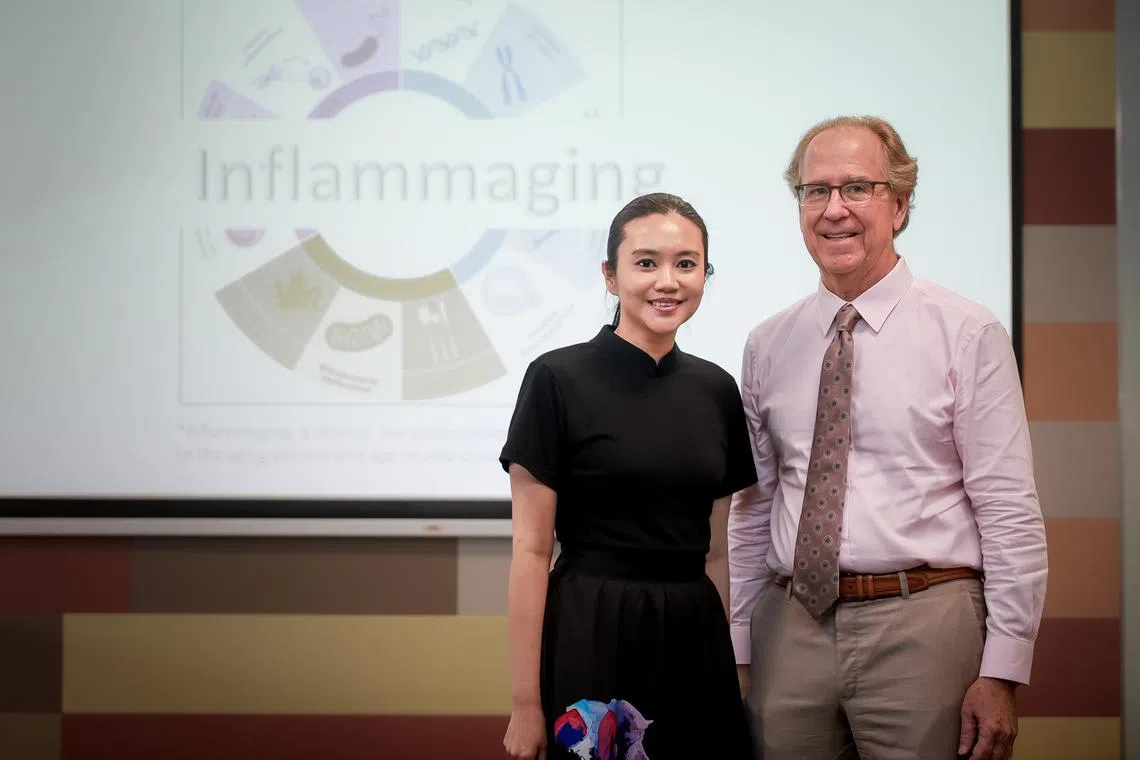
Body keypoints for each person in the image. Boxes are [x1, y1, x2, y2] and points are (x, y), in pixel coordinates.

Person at [727, 115, 1048, 760]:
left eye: (858, 188)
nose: (833, 209)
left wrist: (1003, 669)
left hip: (926, 621)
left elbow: (1008, 508)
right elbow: (754, 508)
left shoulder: (967, 332)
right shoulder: (767, 345)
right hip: (790, 628)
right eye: (816, 191)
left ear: (899, 206)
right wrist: (739, 645)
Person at [499, 192, 758, 760]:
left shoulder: (715, 390)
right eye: (646, 263)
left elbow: (716, 551)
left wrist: (730, 661)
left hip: (694, 634)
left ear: (704, 276)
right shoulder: (555, 380)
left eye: (686, 264)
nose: (668, 280)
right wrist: (525, 702)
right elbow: (531, 551)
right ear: (610, 277)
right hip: (592, 629)